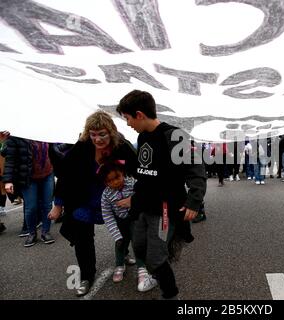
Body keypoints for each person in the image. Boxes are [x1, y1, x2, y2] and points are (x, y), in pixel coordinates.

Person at [116, 89, 207, 300]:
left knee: (155, 259)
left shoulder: (174, 136)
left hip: (165, 209)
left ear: (139, 114)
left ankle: (170, 293)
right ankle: (158, 268)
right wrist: (134, 198)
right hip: (143, 206)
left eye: (128, 118)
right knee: (139, 247)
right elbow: (145, 174)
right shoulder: (142, 136)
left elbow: (196, 170)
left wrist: (194, 201)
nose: (128, 124)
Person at [48, 111, 138, 297]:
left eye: (102, 134)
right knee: (82, 238)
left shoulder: (122, 146)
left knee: (125, 229)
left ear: (111, 132)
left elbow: (140, 172)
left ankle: (123, 253)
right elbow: (66, 174)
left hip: (116, 198)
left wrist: (134, 198)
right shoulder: (82, 147)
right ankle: (87, 276)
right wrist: (58, 204)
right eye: (93, 134)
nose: (97, 139)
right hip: (85, 199)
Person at [98, 160, 158, 290]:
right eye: (110, 181)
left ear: (123, 173)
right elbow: (107, 215)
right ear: (105, 183)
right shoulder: (106, 195)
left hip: (136, 218)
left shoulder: (133, 183)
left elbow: (143, 197)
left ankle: (142, 267)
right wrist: (116, 234)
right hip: (120, 221)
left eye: (117, 177)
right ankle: (120, 264)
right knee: (120, 243)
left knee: (139, 242)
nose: (115, 182)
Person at [3, 135, 56, 247]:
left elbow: (56, 150)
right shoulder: (17, 134)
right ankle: (31, 233)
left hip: (47, 174)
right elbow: (10, 159)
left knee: (47, 205)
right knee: (31, 207)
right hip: (28, 177)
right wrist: (8, 181)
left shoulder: (47, 131)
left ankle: (45, 232)